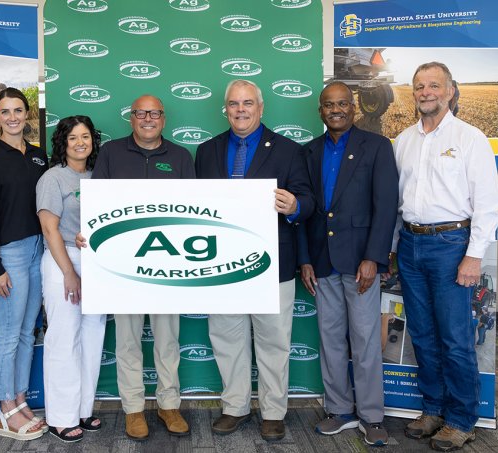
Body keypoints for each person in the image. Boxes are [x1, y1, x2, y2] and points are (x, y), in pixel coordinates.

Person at [195, 79, 314, 441]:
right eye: (234, 104)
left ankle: (274, 411)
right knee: (226, 338)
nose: (241, 110)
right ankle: (235, 407)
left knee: (274, 341)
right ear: (225, 109)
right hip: (222, 264)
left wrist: (294, 206)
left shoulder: (289, 150)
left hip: (272, 263)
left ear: (261, 108)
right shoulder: (207, 150)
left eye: (248, 103)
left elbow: (307, 200)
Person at [392, 62, 498, 451]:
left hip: (452, 245)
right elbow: (397, 201)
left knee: (455, 338)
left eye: (434, 85)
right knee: (421, 333)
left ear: (451, 90)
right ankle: (434, 408)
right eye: (419, 86)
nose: (426, 92)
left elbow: (488, 206)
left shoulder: (470, 138)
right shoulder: (403, 140)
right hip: (410, 244)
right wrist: (392, 248)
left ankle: (460, 419)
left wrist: (474, 257)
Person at [77, 94, 195, 440]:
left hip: (169, 266)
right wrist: (89, 232)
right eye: (141, 113)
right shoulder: (112, 153)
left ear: (163, 118)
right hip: (124, 266)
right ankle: (133, 409)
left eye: (154, 113)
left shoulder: (180, 156)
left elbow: (194, 210)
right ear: (131, 117)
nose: (147, 119)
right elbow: (96, 203)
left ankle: (168, 405)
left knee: (167, 340)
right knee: (127, 341)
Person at [298, 82, 398, 446]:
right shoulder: (308, 151)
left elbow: (385, 207)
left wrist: (374, 257)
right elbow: (306, 211)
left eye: (342, 104)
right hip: (322, 263)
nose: (336, 110)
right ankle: (339, 410)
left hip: (361, 264)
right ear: (320, 111)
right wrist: (305, 259)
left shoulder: (377, 147)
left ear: (353, 108)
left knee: (365, 340)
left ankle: (372, 416)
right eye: (328, 105)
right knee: (330, 341)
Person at [0, 87, 49, 441]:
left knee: (25, 331)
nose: (13, 117)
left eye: (19, 110)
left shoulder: (37, 156)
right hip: (8, 255)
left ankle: (19, 400)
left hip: (37, 250)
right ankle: (5, 409)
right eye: (6, 112)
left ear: (27, 113)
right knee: (6, 335)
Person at [36, 116, 106, 443]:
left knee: (93, 336)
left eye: (86, 137)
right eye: (73, 137)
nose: (80, 142)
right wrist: (69, 272)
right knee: (64, 338)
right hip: (62, 261)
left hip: (97, 262)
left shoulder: (99, 176)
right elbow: (49, 228)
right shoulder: (53, 178)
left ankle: (83, 409)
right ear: (62, 142)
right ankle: (61, 417)